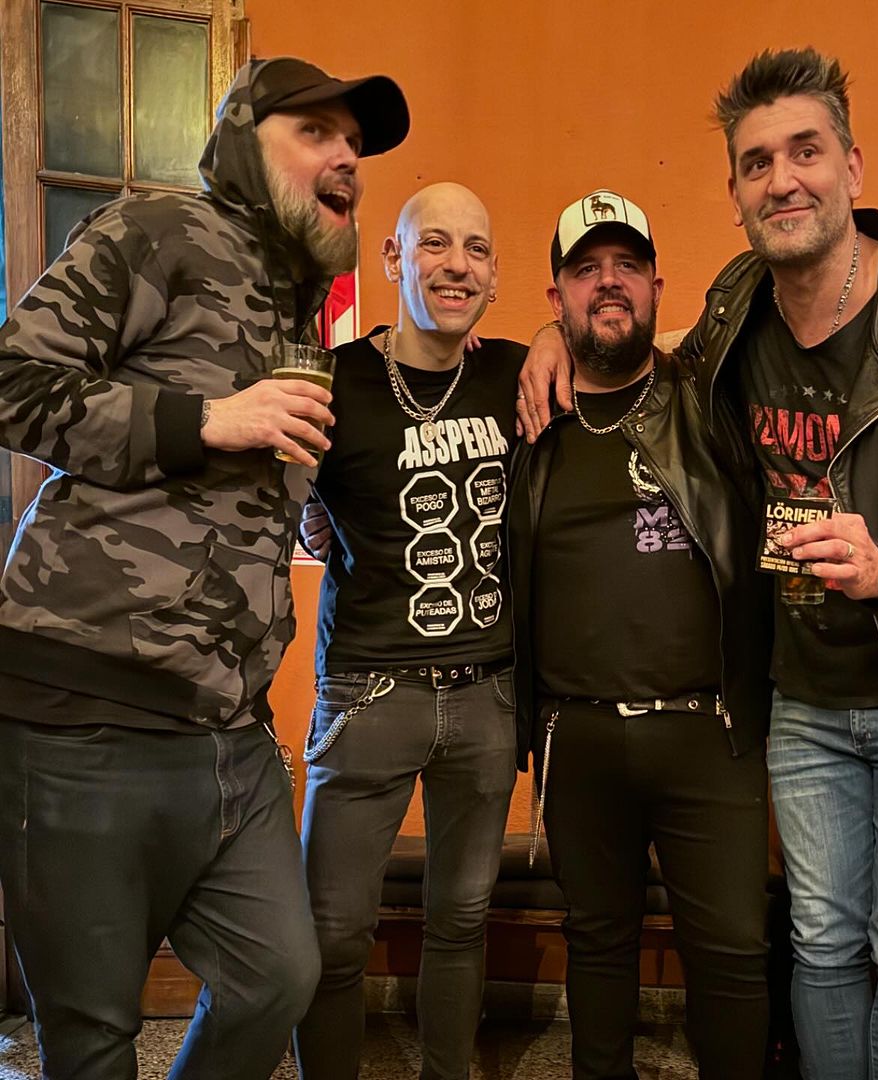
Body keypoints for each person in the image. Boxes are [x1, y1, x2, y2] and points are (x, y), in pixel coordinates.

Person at [517, 50, 878, 1080]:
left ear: (852, 167)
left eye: (805, 152)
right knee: (818, 943)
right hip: (806, 693)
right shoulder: (739, 304)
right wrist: (553, 342)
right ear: (735, 195)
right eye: (757, 162)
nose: (783, 180)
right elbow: (654, 362)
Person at [0, 56, 408, 1080]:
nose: (347, 157)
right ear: (239, 141)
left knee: (278, 976)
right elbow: (13, 383)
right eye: (316, 131)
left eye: (355, 143)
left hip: (228, 727)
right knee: (94, 1036)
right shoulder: (161, 230)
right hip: (84, 710)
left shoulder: (300, 306)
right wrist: (209, 420)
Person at [508, 189, 772, 1080]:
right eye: (586, 270)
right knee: (598, 943)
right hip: (575, 734)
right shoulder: (529, 419)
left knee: (731, 955)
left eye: (627, 265)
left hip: (709, 733)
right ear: (557, 297)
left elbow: (760, 284)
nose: (609, 283)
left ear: (660, 285)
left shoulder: (710, 398)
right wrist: (544, 347)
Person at [293, 183, 524, 1080]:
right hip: (367, 694)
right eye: (434, 243)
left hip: (488, 695)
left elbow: (639, 354)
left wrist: (553, 337)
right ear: (393, 258)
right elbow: (273, 503)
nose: (456, 265)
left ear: (495, 276)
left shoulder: (516, 374)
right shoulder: (334, 381)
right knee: (331, 934)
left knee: (462, 922)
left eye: (476, 248)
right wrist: (308, 514)